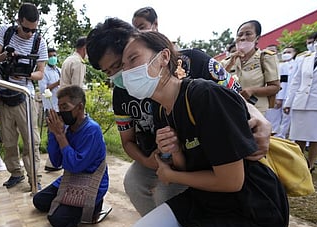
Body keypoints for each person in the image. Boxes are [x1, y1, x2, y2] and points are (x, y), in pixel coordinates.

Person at [122, 31, 289, 227]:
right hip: (208, 199)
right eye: (122, 67)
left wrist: (171, 175)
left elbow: (231, 181)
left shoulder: (204, 95)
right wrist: (173, 154)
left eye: (132, 59)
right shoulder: (162, 111)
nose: (126, 72)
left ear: (163, 58)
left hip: (249, 209)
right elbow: (189, 166)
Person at [86, 17, 271, 216]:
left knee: (168, 193)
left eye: (121, 64)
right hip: (160, 154)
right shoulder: (122, 93)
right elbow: (127, 140)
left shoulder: (193, 62)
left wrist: (260, 119)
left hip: (203, 154)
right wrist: (149, 162)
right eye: (109, 72)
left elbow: (233, 94)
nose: (120, 75)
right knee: (133, 182)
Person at [32, 85, 109, 227]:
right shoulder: (66, 127)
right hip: (71, 178)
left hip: (91, 180)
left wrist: (61, 136)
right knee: (39, 201)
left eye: (65, 107)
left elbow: (75, 165)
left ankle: (96, 203)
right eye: (59, 107)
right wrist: (54, 134)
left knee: (57, 221)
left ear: (79, 107)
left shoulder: (92, 130)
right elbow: (56, 162)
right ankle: (73, 205)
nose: (62, 112)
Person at [0, 2, 48, 189]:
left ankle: (34, 178)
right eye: (26, 29)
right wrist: (6, 56)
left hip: (25, 94)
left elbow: (40, 73)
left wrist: (25, 74)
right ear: (18, 21)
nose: (29, 33)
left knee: (31, 140)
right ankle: (16, 173)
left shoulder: (39, 42)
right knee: (8, 140)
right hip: (4, 92)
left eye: (33, 29)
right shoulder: (5, 32)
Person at [221, 20, 280, 115]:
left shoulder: (265, 57)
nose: (243, 38)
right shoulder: (227, 61)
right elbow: (218, 82)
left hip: (255, 111)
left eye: (248, 34)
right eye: (240, 35)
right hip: (230, 109)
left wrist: (252, 90)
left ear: (257, 38)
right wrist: (230, 63)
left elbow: (275, 87)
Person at [284, 29, 317, 172]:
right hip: (301, 101)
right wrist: (288, 102)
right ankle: (298, 164)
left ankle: (309, 166)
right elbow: (296, 81)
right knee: (298, 136)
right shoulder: (305, 58)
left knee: (315, 137)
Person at [38, 47, 62, 172]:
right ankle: (51, 162)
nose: (53, 58)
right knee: (53, 134)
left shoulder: (59, 70)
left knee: (61, 133)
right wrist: (57, 83)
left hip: (61, 106)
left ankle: (57, 161)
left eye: (55, 55)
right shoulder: (44, 72)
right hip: (51, 106)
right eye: (51, 56)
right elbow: (44, 89)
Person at [270, 46, 298, 138]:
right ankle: (277, 136)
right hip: (280, 95)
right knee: (275, 118)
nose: (286, 54)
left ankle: (282, 137)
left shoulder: (297, 64)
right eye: (285, 52)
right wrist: (279, 97)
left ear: (294, 53)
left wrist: (280, 98)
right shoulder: (281, 65)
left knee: (287, 118)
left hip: (291, 95)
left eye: (289, 52)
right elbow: (282, 82)